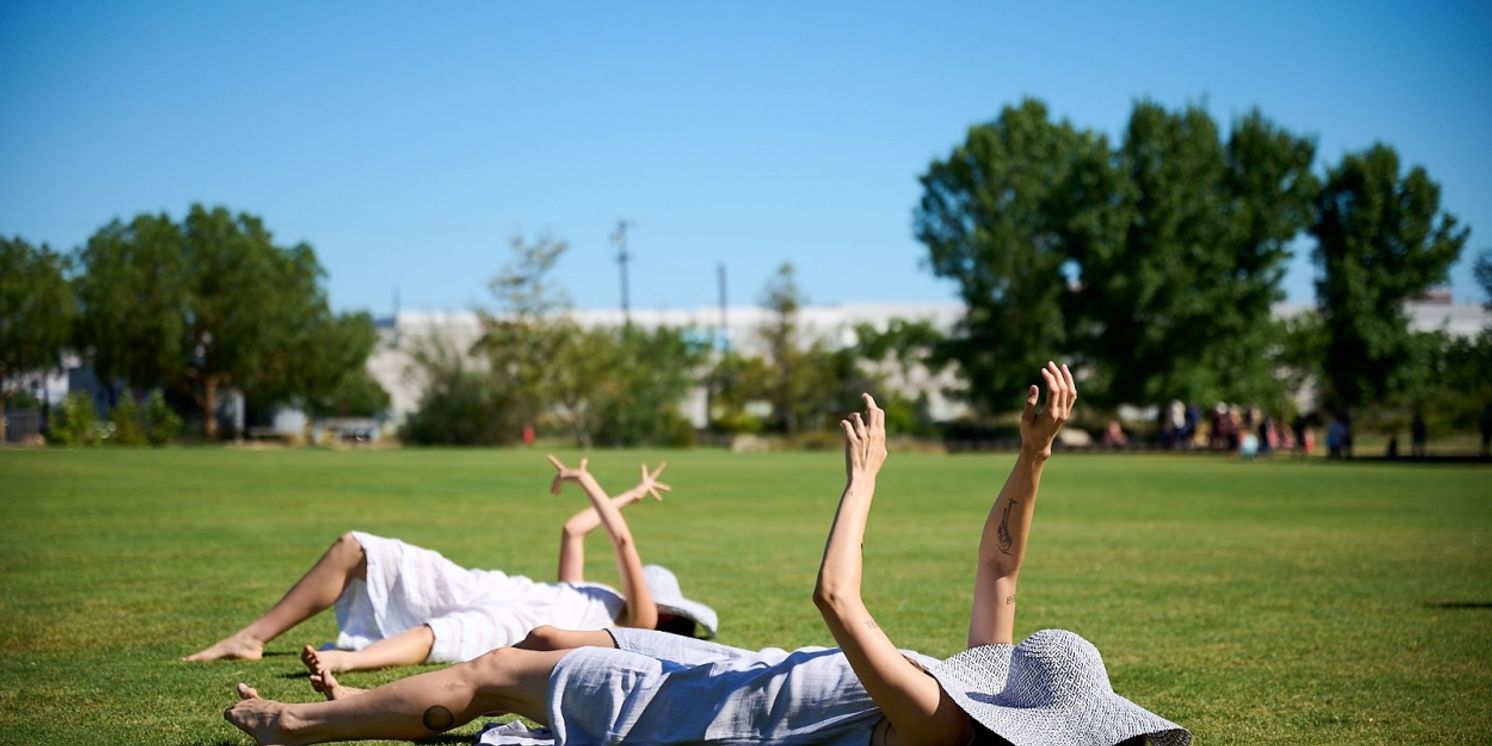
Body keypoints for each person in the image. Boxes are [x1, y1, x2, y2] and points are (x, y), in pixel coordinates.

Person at [224, 363, 1191, 746]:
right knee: (569, 628)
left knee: (498, 675)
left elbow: (839, 602)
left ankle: (299, 730)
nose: (1014, 663)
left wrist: (864, 479)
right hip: (737, 669)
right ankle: (359, 702)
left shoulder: (940, 726)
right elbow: (1001, 571)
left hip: (709, 717)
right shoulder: (979, 691)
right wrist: (1035, 454)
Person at [186, 457, 718, 676]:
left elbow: (622, 541)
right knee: (360, 549)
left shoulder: (639, 625)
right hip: (496, 587)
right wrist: (629, 490)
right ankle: (252, 636)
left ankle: (344, 664)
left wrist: (593, 484)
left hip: (522, 627)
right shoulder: (592, 594)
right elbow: (574, 530)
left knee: (438, 633)